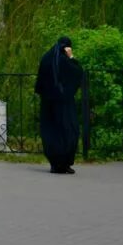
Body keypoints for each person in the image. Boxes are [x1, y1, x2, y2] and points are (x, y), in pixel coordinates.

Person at [35, 36, 83, 174]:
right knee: (69, 131)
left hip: (48, 105)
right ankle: (65, 163)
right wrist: (71, 56)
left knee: (51, 132)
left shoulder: (46, 58)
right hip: (64, 104)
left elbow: (40, 83)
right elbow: (78, 72)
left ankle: (55, 164)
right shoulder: (64, 60)